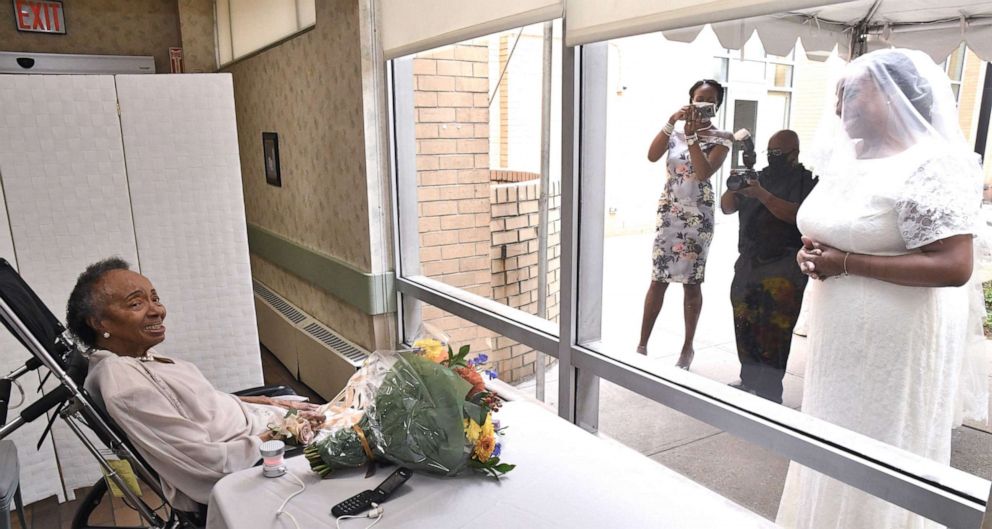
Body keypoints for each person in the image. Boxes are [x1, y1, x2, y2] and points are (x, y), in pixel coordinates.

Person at [777, 49, 987, 528]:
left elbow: (954, 265)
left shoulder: (934, 164)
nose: (838, 106)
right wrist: (810, 253)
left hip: (898, 344)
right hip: (840, 342)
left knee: (881, 440)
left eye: (850, 93)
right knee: (833, 433)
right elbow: (836, 231)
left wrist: (845, 262)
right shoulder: (850, 161)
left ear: (894, 97)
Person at [67, 257, 323, 512]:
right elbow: (206, 464)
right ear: (100, 323)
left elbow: (202, 402)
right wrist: (283, 431)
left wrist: (270, 402)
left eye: (155, 299)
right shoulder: (127, 386)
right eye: (136, 303)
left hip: (261, 422)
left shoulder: (134, 359)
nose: (157, 310)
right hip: (257, 456)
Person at [638, 79, 734, 369]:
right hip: (670, 214)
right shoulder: (675, 134)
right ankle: (641, 345)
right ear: (690, 101)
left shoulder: (723, 137)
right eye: (698, 98)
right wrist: (671, 122)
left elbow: (704, 172)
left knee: (692, 283)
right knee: (658, 279)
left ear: (716, 105)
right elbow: (652, 155)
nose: (703, 103)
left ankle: (687, 347)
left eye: (710, 99)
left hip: (698, 219)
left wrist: (692, 137)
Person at [720, 130, 817, 403]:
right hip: (749, 262)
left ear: (794, 153)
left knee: (775, 332)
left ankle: (770, 392)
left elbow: (799, 216)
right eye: (769, 152)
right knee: (744, 322)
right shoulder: (758, 176)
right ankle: (748, 379)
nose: (772, 158)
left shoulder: (806, 182)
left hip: (784, 267)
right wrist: (736, 185)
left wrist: (762, 195)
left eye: (778, 153)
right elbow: (726, 207)